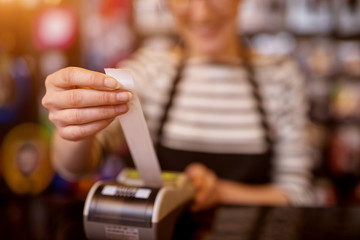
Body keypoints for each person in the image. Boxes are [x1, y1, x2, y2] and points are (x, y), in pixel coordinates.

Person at [42, 0, 314, 211]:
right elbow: (75, 166)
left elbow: (297, 196)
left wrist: (220, 192)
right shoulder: (148, 72)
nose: (202, 14)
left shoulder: (281, 77)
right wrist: (73, 126)